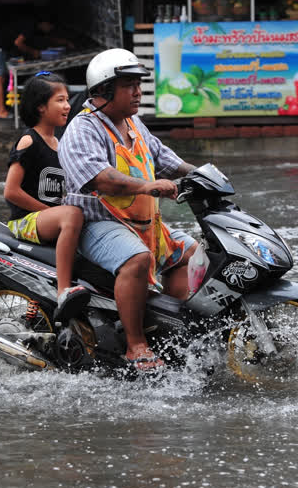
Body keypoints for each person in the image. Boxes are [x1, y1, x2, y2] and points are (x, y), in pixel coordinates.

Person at [58, 48, 198, 373]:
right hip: (97, 223)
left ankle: (166, 331)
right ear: (104, 90)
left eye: (139, 84)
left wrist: (203, 175)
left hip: (143, 222)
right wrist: (146, 186)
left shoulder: (133, 124)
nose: (138, 92)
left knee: (192, 254)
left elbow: (166, 159)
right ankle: (136, 346)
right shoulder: (83, 129)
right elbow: (101, 178)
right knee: (137, 259)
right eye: (129, 85)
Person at [4, 71, 90, 321]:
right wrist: (46, 211)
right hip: (26, 222)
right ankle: (63, 290)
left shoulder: (61, 144)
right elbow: (11, 191)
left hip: (53, 221)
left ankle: (37, 315)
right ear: (41, 107)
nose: (67, 106)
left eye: (67, 100)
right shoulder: (29, 141)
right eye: (60, 100)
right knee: (73, 215)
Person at [0, 14, 74, 119]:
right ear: (45, 23)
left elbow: (50, 39)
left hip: (4, 48)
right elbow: (18, 42)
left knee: (5, 79)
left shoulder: (36, 29)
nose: (50, 29)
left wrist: (66, 42)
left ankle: (6, 108)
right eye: (50, 27)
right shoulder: (30, 26)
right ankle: (1, 111)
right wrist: (33, 52)